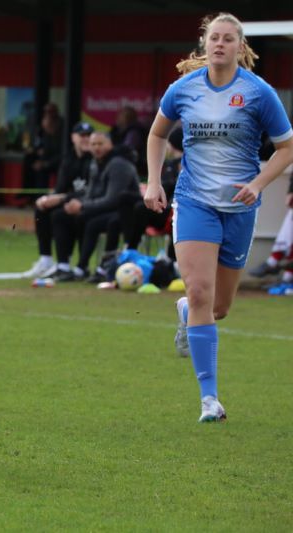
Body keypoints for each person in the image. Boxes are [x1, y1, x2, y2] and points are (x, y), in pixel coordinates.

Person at [144, 13, 293, 422]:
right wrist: (154, 183)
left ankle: (186, 312)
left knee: (220, 307)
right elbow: (157, 134)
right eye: (214, 38)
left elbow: (286, 147)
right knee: (200, 294)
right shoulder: (183, 89)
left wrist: (259, 184)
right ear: (204, 44)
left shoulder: (259, 93)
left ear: (239, 46)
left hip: (241, 208)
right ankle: (210, 400)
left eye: (228, 39)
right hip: (194, 203)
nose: (220, 44)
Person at [49, 131, 140, 282]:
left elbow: (113, 199)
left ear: (110, 144)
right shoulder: (95, 163)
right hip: (101, 208)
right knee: (60, 215)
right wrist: (76, 204)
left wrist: (83, 206)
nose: (97, 148)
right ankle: (63, 266)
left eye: (100, 144)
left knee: (90, 222)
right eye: (93, 144)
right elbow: (91, 194)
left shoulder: (118, 164)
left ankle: (84, 267)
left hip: (122, 212)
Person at [24, 121, 93, 278]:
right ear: (73, 137)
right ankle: (46, 259)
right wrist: (50, 198)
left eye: (89, 135)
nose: (86, 139)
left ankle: (65, 263)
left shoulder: (95, 159)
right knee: (41, 208)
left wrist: (61, 198)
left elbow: (92, 191)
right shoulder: (68, 159)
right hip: (70, 199)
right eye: (82, 135)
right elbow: (61, 187)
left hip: (89, 203)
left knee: (60, 214)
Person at [119, 127, 183, 258]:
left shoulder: (183, 164)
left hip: (167, 212)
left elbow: (172, 188)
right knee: (124, 198)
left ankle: (132, 248)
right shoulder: (169, 163)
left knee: (140, 208)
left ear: (172, 144)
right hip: (157, 202)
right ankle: (127, 244)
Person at [22, 102, 63, 202]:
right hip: (43, 159)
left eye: (50, 112)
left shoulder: (62, 128)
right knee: (31, 163)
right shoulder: (39, 126)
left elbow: (62, 154)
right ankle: (33, 197)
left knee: (59, 168)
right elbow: (29, 141)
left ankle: (57, 197)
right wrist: (33, 150)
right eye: (45, 112)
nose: (48, 114)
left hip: (57, 161)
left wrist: (45, 163)